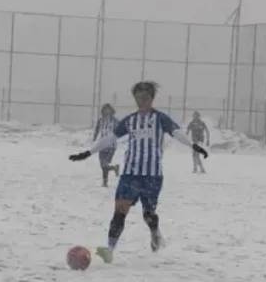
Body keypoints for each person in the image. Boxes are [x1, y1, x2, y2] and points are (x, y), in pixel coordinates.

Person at [69, 81, 208, 264]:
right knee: (119, 211)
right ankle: (109, 250)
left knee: (148, 214)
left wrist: (194, 146)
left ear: (152, 98)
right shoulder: (130, 120)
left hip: (152, 175)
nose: (142, 100)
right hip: (130, 173)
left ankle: (154, 232)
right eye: (139, 97)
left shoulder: (160, 119)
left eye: (146, 97)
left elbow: (176, 133)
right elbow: (109, 138)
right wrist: (88, 152)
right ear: (135, 99)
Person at [93, 103, 120, 186]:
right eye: (105, 109)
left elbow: (120, 129)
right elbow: (97, 129)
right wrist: (94, 137)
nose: (107, 111)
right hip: (102, 145)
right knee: (102, 165)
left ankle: (105, 182)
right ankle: (114, 168)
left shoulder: (115, 120)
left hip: (111, 146)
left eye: (108, 109)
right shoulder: (100, 120)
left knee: (105, 164)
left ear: (111, 110)